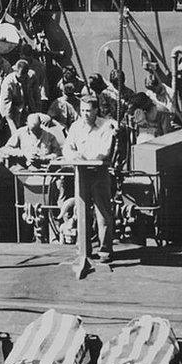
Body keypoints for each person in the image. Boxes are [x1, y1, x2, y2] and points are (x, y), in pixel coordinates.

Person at [63, 96, 117, 273]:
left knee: (102, 214)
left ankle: (105, 252)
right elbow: (67, 147)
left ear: (96, 111)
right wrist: (74, 156)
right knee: (81, 211)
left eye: (88, 111)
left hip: (99, 174)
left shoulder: (105, 126)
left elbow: (104, 151)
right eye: (83, 110)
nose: (85, 114)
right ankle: (83, 251)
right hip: (80, 174)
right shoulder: (76, 126)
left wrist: (85, 156)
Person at [0, 59, 31, 134]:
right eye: (20, 77)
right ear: (15, 71)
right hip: (12, 111)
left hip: (25, 110)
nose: (22, 79)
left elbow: (34, 96)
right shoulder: (8, 83)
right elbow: (6, 108)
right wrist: (14, 130)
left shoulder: (29, 77)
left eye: (24, 77)